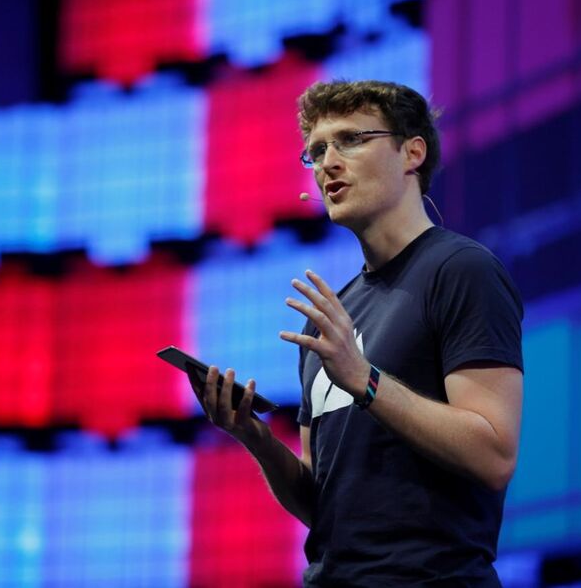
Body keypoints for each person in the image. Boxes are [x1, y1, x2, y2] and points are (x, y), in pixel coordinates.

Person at [188, 80, 524, 587]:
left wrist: (364, 381)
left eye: (351, 139)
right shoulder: (332, 317)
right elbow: (318, 504)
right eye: (316, 151)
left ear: (412, 152)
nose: (327, 162)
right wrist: (253, 437)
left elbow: (493, 454)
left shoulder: (462, 271)